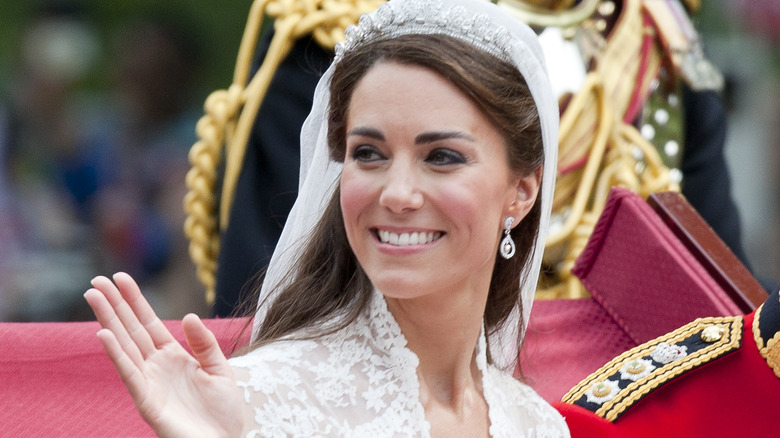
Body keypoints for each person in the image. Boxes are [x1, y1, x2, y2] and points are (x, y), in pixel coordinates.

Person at [83, 0, 570, 436]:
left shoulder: (537, 424)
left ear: (522, 191)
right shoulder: (258, 403)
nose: (397, 194)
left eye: (442, 156)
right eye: (368, 153)